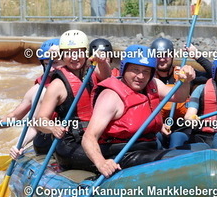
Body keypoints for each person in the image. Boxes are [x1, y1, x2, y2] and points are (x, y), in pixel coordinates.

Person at [81, 45, 196, 177]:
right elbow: (89, 137)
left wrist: (185, 80)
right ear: (124, 69)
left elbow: (179, 96)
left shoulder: (153, 84)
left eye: (146, 71)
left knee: (200, 148)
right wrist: (101, 162)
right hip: (124, 155)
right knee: (184, 158)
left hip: (149, 148)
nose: (141, 76)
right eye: (135, 70)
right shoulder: (110, 96)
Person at [33, 30, 111, 169]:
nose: (74, 57)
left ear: (85, 53)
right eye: (68, 53)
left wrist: (102, 61)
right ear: (62, 56)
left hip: (94, 137)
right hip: (70, 144)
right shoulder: (57, 85)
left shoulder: (92, 71)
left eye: (78, 52)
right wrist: (52, 127)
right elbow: (39, 120)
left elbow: (107, 77)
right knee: (114, 158)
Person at [0, 39, 63, 158]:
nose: (51, 68)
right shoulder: (39, 91)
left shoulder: (81, 80)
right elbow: (16, 117)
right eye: (47, 64)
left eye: (55, 62)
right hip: (47, 141)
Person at [169, 54, 217, 149]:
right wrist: (191, 119)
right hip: (202, 136)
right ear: (215, 72)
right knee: (177, 136)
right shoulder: (201, 89)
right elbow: (189, 114)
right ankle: (173, 156)